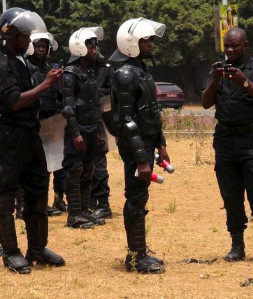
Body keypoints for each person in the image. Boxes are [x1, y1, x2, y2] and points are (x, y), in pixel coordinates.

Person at [201, 28, 253, 265]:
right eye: (227, 46)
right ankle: (237, 245)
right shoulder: (218, 70)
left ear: (246, 44)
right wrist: (216, 79)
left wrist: (244, 82)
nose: (230, 50)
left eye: (235, 46)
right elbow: (205, 103)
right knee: (231, 196)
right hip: (225, 141)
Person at [0, 7, 65, 274]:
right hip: (9, 137)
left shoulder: (20, 62)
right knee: (5, 195)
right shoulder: (2, 63)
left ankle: (37, 249)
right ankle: (11, 252)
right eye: (24, 36)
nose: (28, 41)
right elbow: (14, 102)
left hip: (30, 134)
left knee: (38, 190)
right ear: (10, 34)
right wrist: (45, 85)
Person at [106, 18, 167, 274]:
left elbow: (152, 112)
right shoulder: (126, 74)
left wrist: (161, 144)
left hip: (146, 142)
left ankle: (140, 251)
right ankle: (135, 257)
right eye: (146, 40)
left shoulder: (142, 70)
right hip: (135, 146)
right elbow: (127, 120)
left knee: (140, 197)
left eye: (152, 39)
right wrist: (142, 159)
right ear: (131, 43)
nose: (151, 44)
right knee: (135, 198)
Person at [61, 27, 106, 229]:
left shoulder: (90, 71)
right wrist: (75, 133)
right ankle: (74, 215)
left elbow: (95, 104)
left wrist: (97, 131)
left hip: (91, 128)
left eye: (95, 45)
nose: (94, 49)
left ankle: (85, 211)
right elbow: (68, 108)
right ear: (79, 46)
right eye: (89, 45)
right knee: (75, 170)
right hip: (77, 129)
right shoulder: (70, 74)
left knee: (89, 170)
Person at [25, 31, 65, 217]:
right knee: (33, 165)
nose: (42, 47)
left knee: (57, 165)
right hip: (33, 122)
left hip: (54, 121)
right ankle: (24, 206)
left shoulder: (53, 68)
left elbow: (60, 95)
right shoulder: (24, 67)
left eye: (45, 44)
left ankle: (58, 200)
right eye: (38, 44)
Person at [88, 54, 113, 220]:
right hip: (81, 123)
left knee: (99, 166)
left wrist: (94, 92)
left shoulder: (105, 69)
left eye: (95, 45)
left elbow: (112, 92)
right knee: (82, 167)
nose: (93, 50)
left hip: (98, 122)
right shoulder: (75, 70)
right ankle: (88, 203)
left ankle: (103, 204)